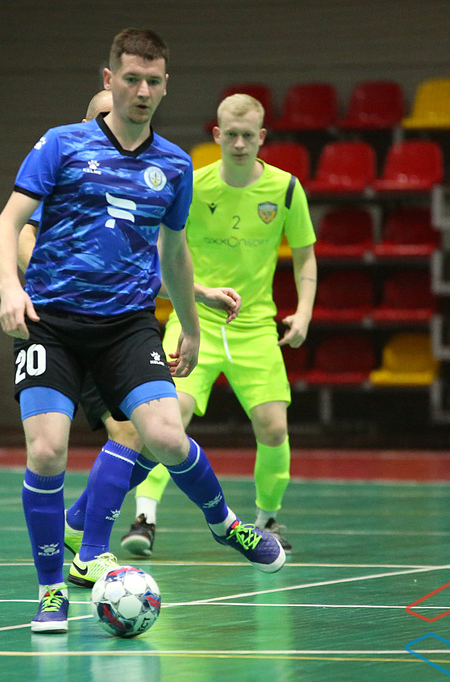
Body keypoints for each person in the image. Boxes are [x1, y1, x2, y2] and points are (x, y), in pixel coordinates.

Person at [0, 29, 284, 635]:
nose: (142, 90)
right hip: (52, 325)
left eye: (153, 81)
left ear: (166, 86)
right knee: (46, 451)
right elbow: (7, 224)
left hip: (127, 326)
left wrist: (192, 326)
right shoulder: (61, 144)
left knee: (166, 436)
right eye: (131, 79)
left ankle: (226, 524)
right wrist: (10, 289)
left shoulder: (174, 165)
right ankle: (51, 590)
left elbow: (172, 255)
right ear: (110, 80)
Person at [120, 93, 318, 559]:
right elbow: (164, 249)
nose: (240, 143)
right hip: (194, 320)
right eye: (231, 135)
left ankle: (266, 519)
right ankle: (144, 518)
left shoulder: (286, 190)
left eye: (248, 135)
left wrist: (304, 311)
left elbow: (305, 256)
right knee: (167, 420)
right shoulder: (193, 183)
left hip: (256, 327)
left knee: (273, 428)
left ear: (262, 137)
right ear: (217, 135)